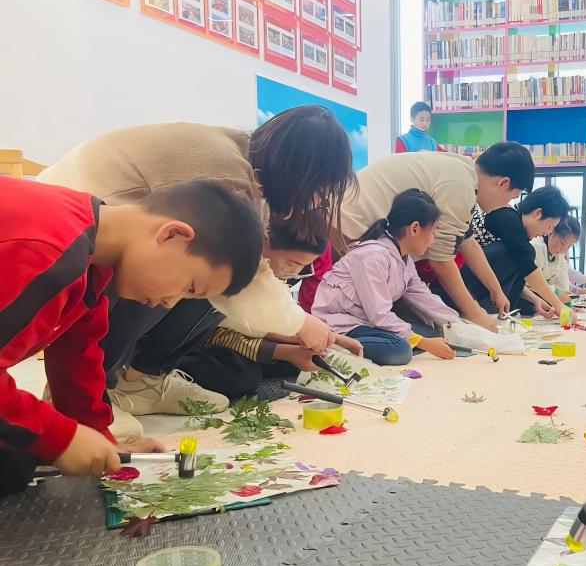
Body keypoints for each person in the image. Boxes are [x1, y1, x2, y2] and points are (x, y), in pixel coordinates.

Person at [37, 106, 353, 427]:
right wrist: (301, 324)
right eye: (321, 192)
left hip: (85, 234)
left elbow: (245, 279)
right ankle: (86, 395)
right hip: (65, 231)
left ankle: (141, 381)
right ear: (303, 175)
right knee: (174, 276)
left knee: (216, 278)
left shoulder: (245, 170)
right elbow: (249, 287)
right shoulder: (229, 174)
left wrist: (298, 325)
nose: (316, 203)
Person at [0, 176, 263, 496]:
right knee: (14, 462)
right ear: (173, 234)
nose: (171, 303)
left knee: (19, 456)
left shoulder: (93, 259)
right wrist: (62, 436)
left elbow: (76, 358)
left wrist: (100, 441)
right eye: (189, 287)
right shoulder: (51, 249)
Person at [310, 144, 536, 331]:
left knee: (413, 322)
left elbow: (467, 242)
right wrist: (475, 314)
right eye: (512, 197)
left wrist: (496, 290)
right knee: (363, 317)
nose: (507, 204)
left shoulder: (462, 171)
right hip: (349, 227)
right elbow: (441, 260)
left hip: (347, 222)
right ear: (503, 182)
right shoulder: (460, 185)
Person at [162, 216, 363, 400]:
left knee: (296, 361)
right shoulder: (227, 271)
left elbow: (266, 323)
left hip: (221, 334)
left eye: (302, 266)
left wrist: (330, 337)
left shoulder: (264, 273)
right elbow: (221, 332)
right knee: (242, 376)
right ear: (264, 239)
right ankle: (160, 375)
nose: (293, 272)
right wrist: (285, 350)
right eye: (290, 263)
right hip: (194, 342)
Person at [312, 189, 459, 366]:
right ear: (414, 228)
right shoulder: (373, 256)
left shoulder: (403, 258)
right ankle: (331, 347)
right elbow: (379, 316)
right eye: (433, 231)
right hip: (342, 325)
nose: (433, 240)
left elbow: (425, 298)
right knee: (400, 350)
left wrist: (458, 324)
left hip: (365, 324)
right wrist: (425, 343)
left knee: (429, 333)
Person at [462, 185, 573, 319]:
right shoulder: (507, 217)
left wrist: (536, 299)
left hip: (475, 280)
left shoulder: (515, 224)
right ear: (538, 213)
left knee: (524, 253)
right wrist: (558, 305)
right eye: (549, 226)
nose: (546, 233)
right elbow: (527, 267)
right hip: (463, 281)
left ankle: (506, 311)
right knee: (526, 253)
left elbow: (513, 273)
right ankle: (487, 310)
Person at [531, 215, 580, 303]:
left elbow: (562, 280)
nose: (564, 249)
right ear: (551, 233)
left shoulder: (559, 255)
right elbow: (533, 282)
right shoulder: (537, 248)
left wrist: (565, 300)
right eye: (562, 243)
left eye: (569, 246)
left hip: (543, 299)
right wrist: (557, 294)